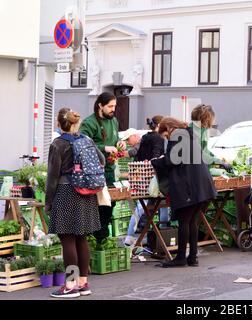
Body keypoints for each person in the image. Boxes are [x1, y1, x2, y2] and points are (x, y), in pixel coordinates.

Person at [45, 108, 104, 298]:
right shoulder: (86, 140)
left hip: (65, 192)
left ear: (59, 123)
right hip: (86, 193)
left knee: (67, 240)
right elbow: (102, 160)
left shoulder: (58, 144)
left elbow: (52, 177)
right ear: (75, 122)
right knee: (81, 238)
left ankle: (70, 285)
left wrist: (48, 203)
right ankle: (83, 283)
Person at [151, 117, 217, 267]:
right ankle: (192, 257)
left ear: (168, 129)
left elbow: (171, 160)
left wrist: (156, 161)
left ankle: (181, 257)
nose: (167, 138)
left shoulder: (177, 136)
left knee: (184, 221)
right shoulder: (189, 134)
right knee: (192, 221)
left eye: (165, 135)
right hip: (202, 184)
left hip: (189, 186)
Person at [80, 92, 126, 244]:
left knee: (109, 204)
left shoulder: (114, 121)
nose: (113, 109)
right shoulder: (89, 123)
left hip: (110, 170)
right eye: (110, 106)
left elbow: (116, 138)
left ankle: (102, 237)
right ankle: (95, 237)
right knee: (97, 205)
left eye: (115, 106)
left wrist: (120, 143)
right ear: (100, 105)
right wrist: (104, 148)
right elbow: (82, 146)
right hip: (94, 172)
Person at [124, 116, 168, 246]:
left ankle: (129, 237)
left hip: (142, 177)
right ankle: (164, 235)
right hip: (156, 177)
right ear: (159, 125)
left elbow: (137, 156)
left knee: (140, 207)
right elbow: (155, 158)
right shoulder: (159, 138)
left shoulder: (144, 137)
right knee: (163, 206)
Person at [190, 104, 228, 168]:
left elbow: (206, 151)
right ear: (206, 119)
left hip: (203, 168)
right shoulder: (192, 132)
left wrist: (215, 157)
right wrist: (219, 162)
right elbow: (200, 155)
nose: (212, 122)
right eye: (211, 119)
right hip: (196, 170)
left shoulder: (203, 130)